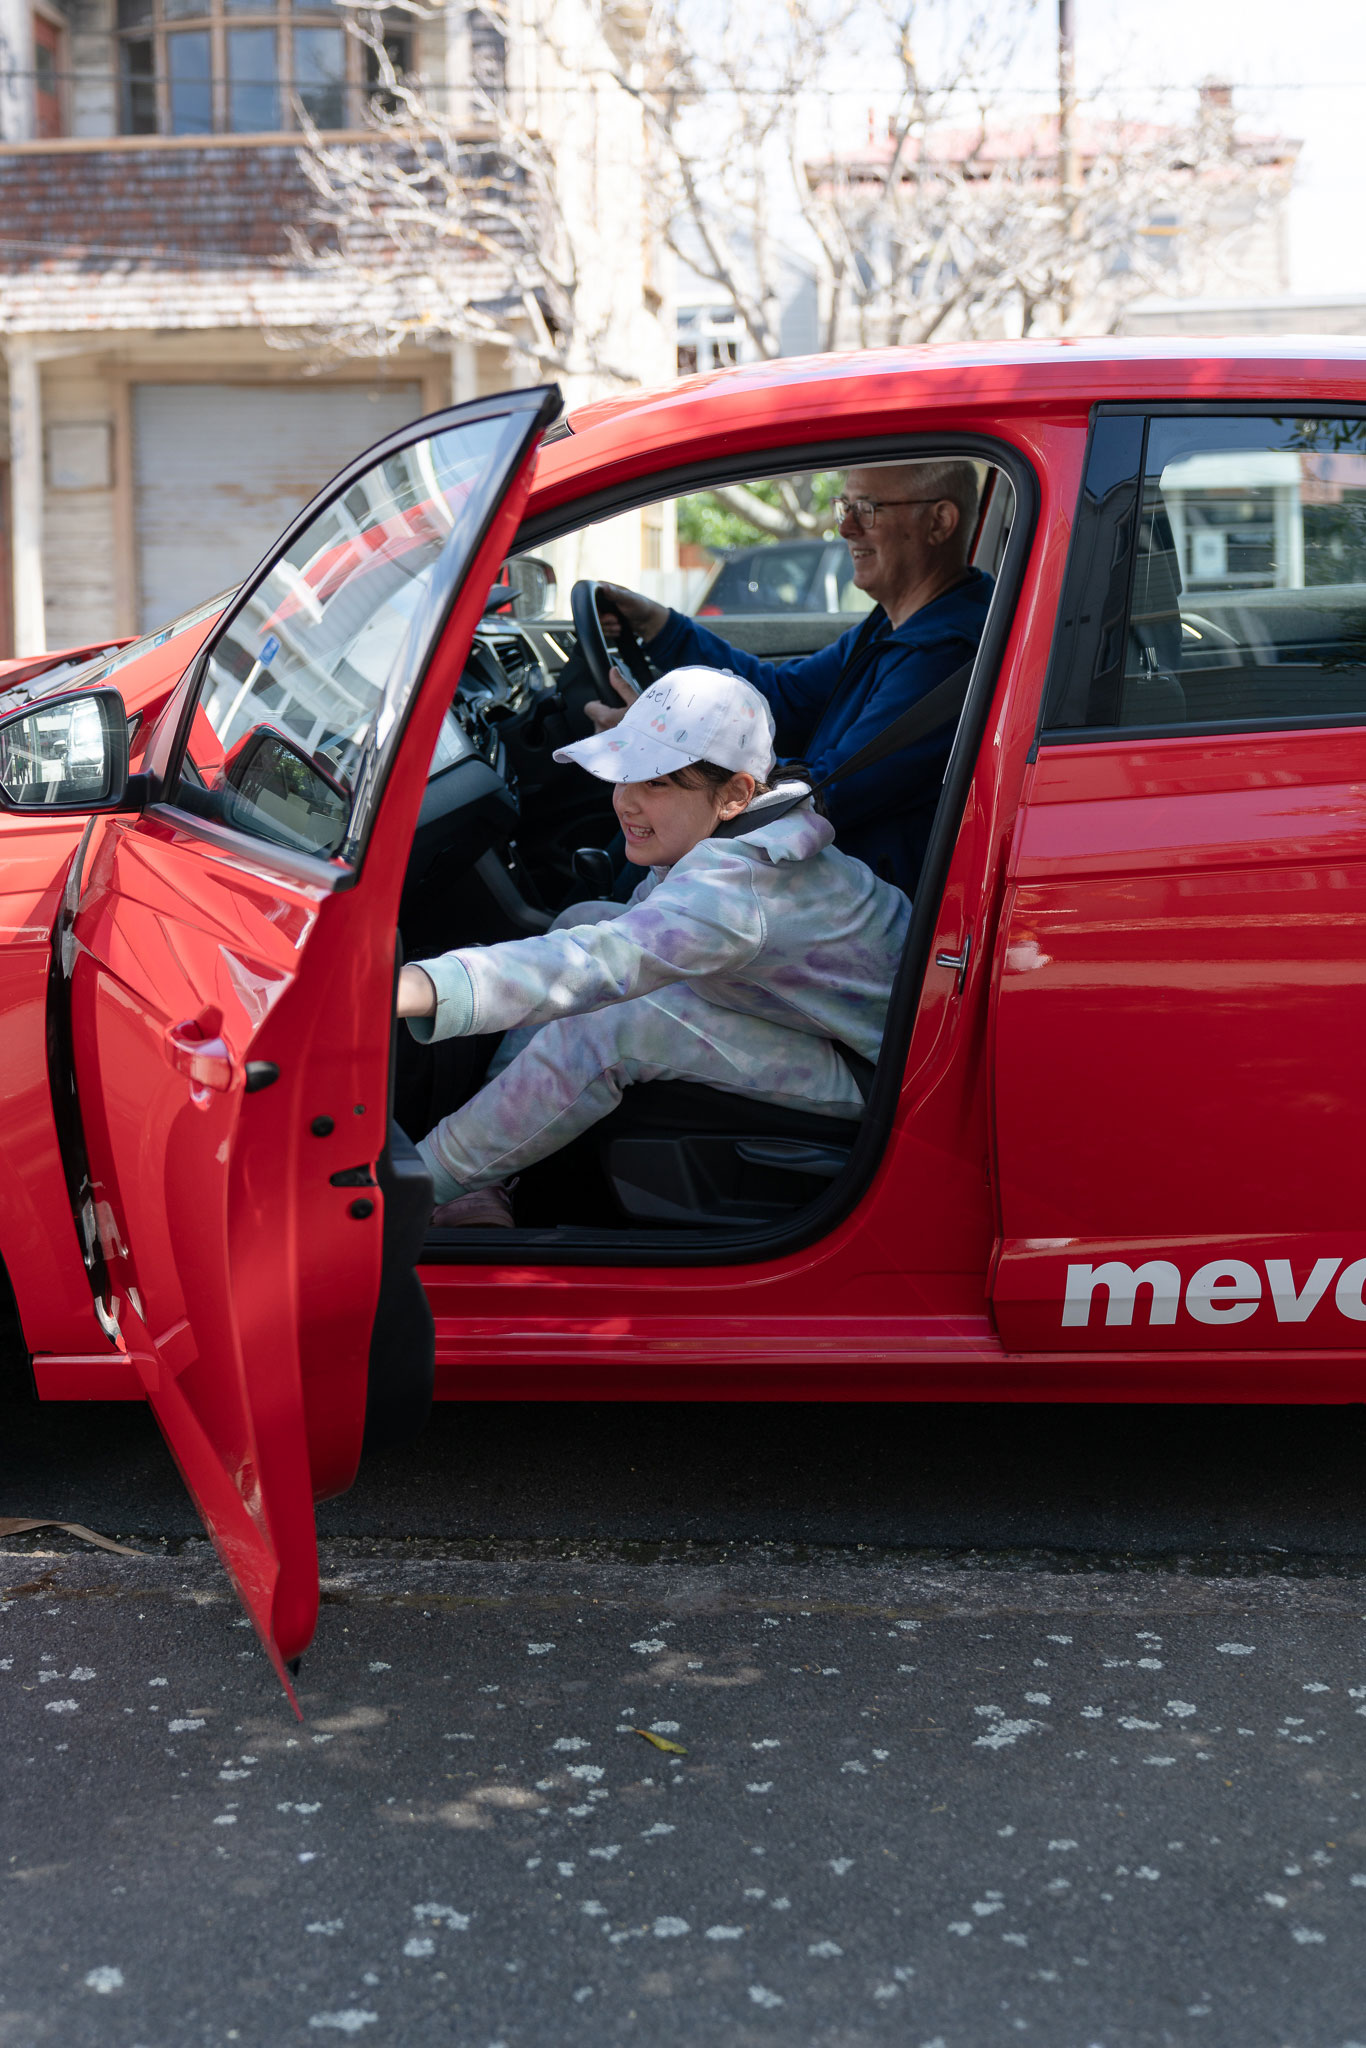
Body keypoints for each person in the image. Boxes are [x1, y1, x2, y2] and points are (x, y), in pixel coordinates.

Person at [397, 667, 911, 1228]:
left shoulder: (739, 893)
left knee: (604, 1026)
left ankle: (418, 1188)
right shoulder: (754, 828)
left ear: (736, 792)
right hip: (825, 1021)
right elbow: (610, 934)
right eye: (625, 775)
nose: (626, 803)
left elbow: (596, 964)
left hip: (884, 1072)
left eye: (657, 783)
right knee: (582, 916)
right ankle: (491, 1167)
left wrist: (420, 985)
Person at [590, 459, 992, 895]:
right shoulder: (893, 626)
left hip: (841, 893)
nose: (847, 528)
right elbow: (784, 696)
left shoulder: (944, 653)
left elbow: (824, 795)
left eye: (869, 509)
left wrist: (664, 750)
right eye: (845, 507)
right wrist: (663, 628)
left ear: (940, 522)